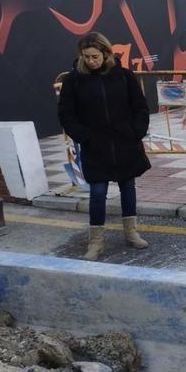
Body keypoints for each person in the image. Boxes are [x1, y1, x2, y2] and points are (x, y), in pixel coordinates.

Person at [57, 32, 151, 260]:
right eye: (85, 56)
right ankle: (96, 242)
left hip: (125, 142)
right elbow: (66, 114)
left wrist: (135, 132)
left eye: (94, 56)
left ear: (106, 53)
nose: (90, 61)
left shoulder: (124, 76)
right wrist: (83, 136)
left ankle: (131, 233)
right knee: (98, 192)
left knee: (128, 187)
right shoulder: (73, 80)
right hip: (95, 145)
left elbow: (140, 108)